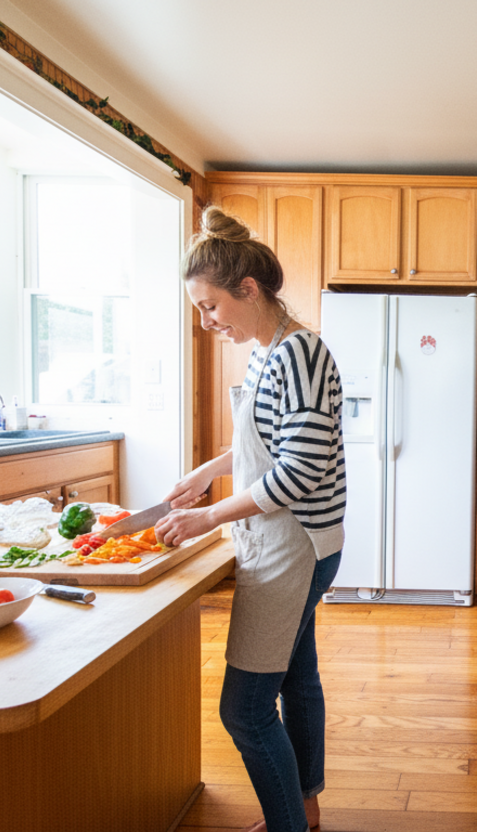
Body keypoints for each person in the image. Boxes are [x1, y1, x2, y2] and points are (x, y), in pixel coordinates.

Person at [155, 206, 345, 832]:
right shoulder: (267, 350)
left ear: (249, 289)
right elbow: (267, 440)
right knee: (298, 678)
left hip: (295, 543)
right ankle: (305, 809)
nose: (206, 323)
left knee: (244, 710)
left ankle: (289, 822)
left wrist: (209, 516)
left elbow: (297, 474)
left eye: (211, 308)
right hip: (287, 538)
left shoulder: (299, 354)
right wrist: (209, 470)